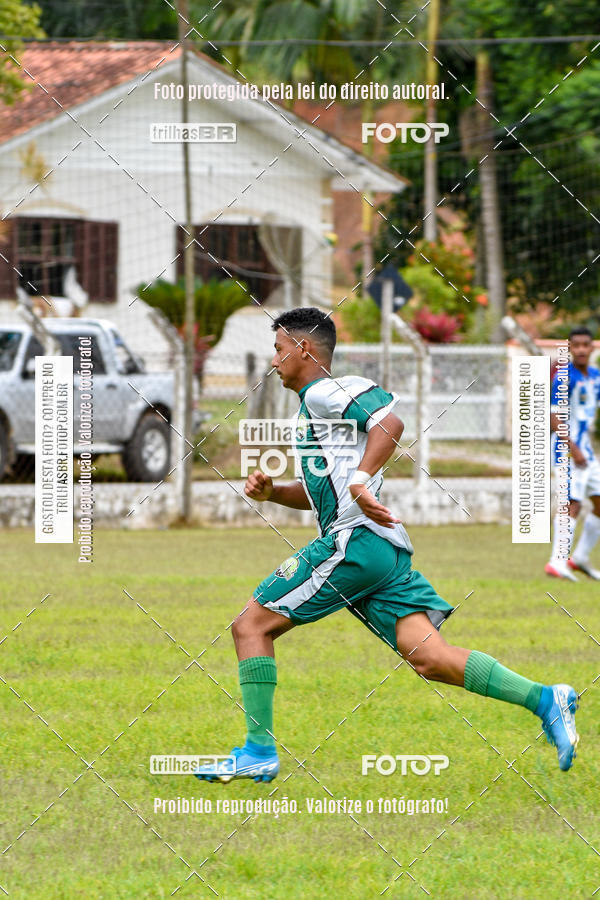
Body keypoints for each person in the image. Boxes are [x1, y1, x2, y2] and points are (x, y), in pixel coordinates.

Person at [195, 307, 579, 783]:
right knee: (430, 658)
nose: (273, 362)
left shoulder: (325, 390)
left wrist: (359, 482)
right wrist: (276, 492)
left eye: (278, 349)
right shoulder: (311, 409)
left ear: (304, 349)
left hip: (355, 543)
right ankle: (546, 699)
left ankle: (258, 751)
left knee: (250, 627)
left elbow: (389, 423)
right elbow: (325, 493)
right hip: (378, 548)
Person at [546, 327, 600, 581]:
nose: (580, 349)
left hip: (587, 452)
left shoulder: (596, 376)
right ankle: (557, 561)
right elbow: (553, 415)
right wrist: (573, 448)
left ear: (592, 348)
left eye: (585, 345)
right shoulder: (564, 377)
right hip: (567, 451)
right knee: (573, 503)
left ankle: (578, 558)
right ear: (569, 348)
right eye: (575, 345)